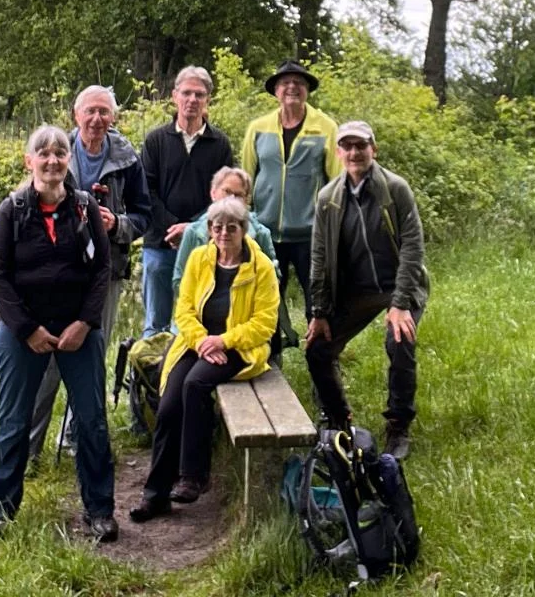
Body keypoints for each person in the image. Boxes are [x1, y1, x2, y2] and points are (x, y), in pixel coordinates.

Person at [0, 124, 118, 543]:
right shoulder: (13, 210)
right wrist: (27, 329)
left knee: (92, 421)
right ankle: (0, 511)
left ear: (67, 161)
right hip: (23, 330)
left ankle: (99, 510)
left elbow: (101, 271)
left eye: (60, 152)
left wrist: (84, 323)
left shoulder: (83, 208)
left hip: (79, 328)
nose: (53, 160)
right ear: (30, 162)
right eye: (43, 153)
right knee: (13, 421)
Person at [129, 197, 279, 521]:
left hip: (238, 347)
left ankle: (193, 476)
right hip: (196, 343)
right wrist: (202, 341)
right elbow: (182, 309)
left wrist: (223, 340)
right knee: (168, 406)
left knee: (195, 385)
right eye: (217, 226)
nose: (224, 233)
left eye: (232, 227)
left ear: (244, 229)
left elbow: (265, 322)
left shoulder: (261, 267)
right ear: (209, 229)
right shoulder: (199, 258)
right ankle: (155, 496)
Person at [28, 85, 151, 467]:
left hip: (105, 272)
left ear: (113, 117)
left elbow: (145, 215)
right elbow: (33, 200)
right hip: (56, 273)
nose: (97, 119)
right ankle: (28, 450)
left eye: (104, 112)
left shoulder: (127, 157)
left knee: (90, 355)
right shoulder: (55, 151)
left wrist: (118, 225)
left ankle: (77, 440)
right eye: (90, 112)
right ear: (75, 115)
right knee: (47, 362)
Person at [304, 120, 429, 461]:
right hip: (355, 289)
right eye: (348, 146)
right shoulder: (328, 198)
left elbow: (413, 247)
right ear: (338, 152)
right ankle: (339, 420)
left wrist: (401, 303)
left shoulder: (395, 189)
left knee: (400, 340)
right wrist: (319, 312)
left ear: (374, 149)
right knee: (317, 349)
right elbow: (319, 257)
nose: (355, 153)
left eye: (361, 146)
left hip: (397, 287)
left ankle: (399, 425)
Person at [242, 60, 339, 342]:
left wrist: (335, 229)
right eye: (285, 83)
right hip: (266, 233)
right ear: (276, 90)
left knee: (318, 306)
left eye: (299, 83)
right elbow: (245, 178)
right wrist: (247, 223)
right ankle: (267, 363)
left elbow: (337, 183)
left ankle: (322, 371)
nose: (292, 88)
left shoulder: (326, 128)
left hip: (312, 235)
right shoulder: (258, 128)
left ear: (307, 89)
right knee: (265, 303)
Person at [140, 65, 234, 337]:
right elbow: (147, 191)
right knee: (155, 326)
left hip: (204, 246)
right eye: (187, 93)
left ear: (208, 100)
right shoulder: (156, 140)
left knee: (195, 323)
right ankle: (154, 379)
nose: (192, 100)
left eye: (199, 94)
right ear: (174, 96)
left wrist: (192, 229)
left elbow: (225, 196)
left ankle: (186, 379)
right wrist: (172, 228)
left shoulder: (220, 144)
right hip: (159, 244)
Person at [169, 166, 276, 297]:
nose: (231, 199)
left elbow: (273, 279)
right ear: (213, 193)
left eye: (238, 195)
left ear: (246, 200)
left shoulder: (260, 234)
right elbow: (179, 281)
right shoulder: (193, 233)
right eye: (227, 191)